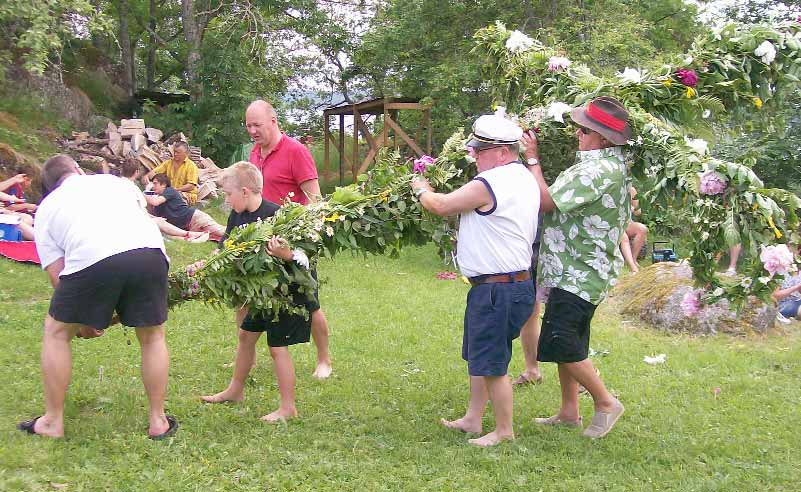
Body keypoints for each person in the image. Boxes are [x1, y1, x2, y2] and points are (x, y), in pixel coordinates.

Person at [17, 154, 176, 439]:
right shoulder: (118, 183)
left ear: (50, 187)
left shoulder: (47, 208)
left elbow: (59, 276)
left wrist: (81, 320)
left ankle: (52, 422)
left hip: (93, 259)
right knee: (153, 336)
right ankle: (158, 421)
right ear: (78, 170)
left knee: (56, 332)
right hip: (151, 253)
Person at [412, 112, 538, 447]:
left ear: (502, 152)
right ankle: (472, 418)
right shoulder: (523, 176)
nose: (474, 155)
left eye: (480, 150)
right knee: (482, 354)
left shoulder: (491, 182)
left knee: (493, 362)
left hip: (499, 289)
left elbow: (440, 205)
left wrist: (421, 189)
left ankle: (504, 430)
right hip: (512, 285)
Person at [522, 96, 629, 439]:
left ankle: (606, 401)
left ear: (603, 137)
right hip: (576, 267)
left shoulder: (595, 169)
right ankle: (569, 412)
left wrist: (532, 158)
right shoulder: (605, 165)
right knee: (573, 340)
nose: (578, 135)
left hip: (578, 270)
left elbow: (544, 201)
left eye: (585, 130)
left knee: (560, 338)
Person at [201, 162, 314, 422]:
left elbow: (306, 255)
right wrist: (209, 263)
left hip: (284, 294)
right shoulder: (237, 216)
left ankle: (288, 407)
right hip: (262, 295)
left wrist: (287, 254)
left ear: (244, 191)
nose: (227, 201)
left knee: (278, 348)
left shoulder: (277, 215)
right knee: (246, 335)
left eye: (228, 194)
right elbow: (224, 247)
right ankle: (234, 390)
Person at [245, 99, 332, 379]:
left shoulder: (296, 151)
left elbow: (315, 200)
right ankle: (248, 358)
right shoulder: (254, 154)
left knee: (309, 301)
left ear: (273, 121)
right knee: (251, 298)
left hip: (293, 242)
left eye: (257, 125)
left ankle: (324, 360)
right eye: (248, 126)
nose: (252, 131)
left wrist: (298, 236)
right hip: (263, 240)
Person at [119, 159, 209, 242]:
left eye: (155, 184)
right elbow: (146, 209)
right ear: (137, 172)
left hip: (193, 216)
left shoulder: (118, 183)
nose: (153, 186)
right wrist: (144, 196)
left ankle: (189, 238)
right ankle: (189, 235)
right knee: (160, 224)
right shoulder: (133, 188)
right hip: (132, 221)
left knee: (161, 227)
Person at [512, 215, 546, 386]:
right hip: (525, 242)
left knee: (563, 314)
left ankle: (583, 376)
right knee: (530, 311)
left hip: (553, 244)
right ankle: (532, 370)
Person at [145, 173, 225, 239]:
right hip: (188, 226)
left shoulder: (169, 191)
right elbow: (154, 216)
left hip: (195, 218)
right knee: (215, 237)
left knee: (223, 232)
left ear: (163, 185)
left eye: (155, 183)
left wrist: (141, 194)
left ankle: (237, 227)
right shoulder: (159, 200)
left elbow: (155, 202)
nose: (153, 186)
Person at [620, 186, 648, 273]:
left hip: (627, 222)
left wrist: (631, 208)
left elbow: (638, 212)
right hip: (614, 223)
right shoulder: (612, 188)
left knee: (642, 229)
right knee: (623, 238)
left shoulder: (631, 190)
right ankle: (633, 267)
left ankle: (634, 259)